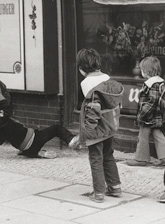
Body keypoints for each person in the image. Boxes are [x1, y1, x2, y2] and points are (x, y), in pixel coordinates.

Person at [0, 86, 79, 159]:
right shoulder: (3, 119)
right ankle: (70, 140)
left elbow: (1, 141)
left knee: (24, 144)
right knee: (56, 128)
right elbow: (4, 102)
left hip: (25, 149)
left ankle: (34, 153)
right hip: (34, 139)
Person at [76, 48, 124, 203]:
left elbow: (92, 109)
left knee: (96, 158)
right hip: (110, 124)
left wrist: (86, 133)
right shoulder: (107, 77)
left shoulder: (86, 83)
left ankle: (98, 193)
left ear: (82, 68)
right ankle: (115, 187)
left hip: (96, 128)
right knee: (108, 155)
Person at [126, 56, 165, 167]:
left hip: (148, 116)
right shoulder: (160, 83)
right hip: (157, 116)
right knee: (158, 135)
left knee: (142, 136)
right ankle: (163, 157)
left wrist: (142, 114)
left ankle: (141, 158)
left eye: (142, 70)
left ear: (146, 71)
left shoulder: (151, 84)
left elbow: (151, 101)